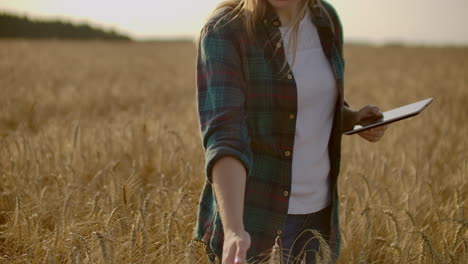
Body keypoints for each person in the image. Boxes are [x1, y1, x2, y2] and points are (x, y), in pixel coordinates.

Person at [191, 0, 388, 263]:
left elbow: (302, 104)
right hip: (256, 220)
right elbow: (226, 136)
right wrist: (234, 229)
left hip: (319, 217)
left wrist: (350, 118)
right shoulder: (225, 30)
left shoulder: (325, 19)